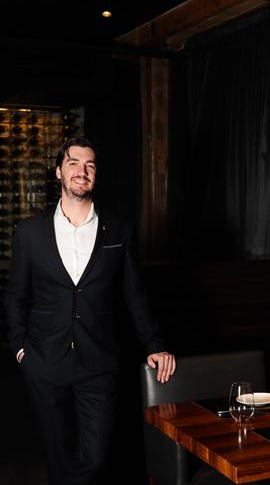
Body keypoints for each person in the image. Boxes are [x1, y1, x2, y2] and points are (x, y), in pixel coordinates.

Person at [4, 137, 176, 485]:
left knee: (95, 457)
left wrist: (154, 344)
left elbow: (135, 295)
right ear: (58, 172)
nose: (82, 171)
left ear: (96, 175)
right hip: (44, 361)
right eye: (73, 163)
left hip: (99, 363)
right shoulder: (30, 232)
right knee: (57, 456)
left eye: (90, 165)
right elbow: (15, 296)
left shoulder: (120, 230)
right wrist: (21, 349)